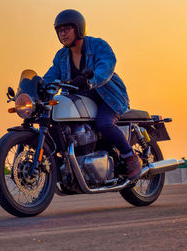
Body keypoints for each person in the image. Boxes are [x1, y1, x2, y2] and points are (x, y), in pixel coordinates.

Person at [43, 9, 142, 180]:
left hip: (108, 98)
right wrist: (37, 89)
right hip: (80, 101)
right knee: (58, 126)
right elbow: (51, 77)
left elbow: (107, 65)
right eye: (59, 30)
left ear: (79, 28)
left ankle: (130, 157)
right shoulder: (61, 57)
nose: (63, 33)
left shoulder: (98, 45)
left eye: (67, 29)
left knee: (104, 124)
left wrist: (90, 80)